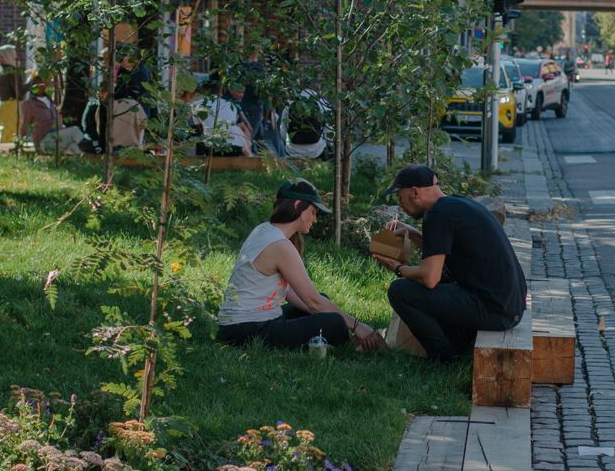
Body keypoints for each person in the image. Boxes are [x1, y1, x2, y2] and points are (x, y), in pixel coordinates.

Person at [374, 165, 527, 363]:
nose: (400, 204)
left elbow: (430, 278)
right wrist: (411, 233)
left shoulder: (437, 215)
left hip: (496, 311)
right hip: (509, 307)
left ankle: (442, 357)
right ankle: (458, 344)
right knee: (443, 280)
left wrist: (397, 268)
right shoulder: (455, 204)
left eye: (400, 197)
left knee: (400, 291)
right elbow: (442, 253)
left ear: (414, 192)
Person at [217, 180, 383, 351]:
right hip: (248, 331)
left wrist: (318, 309)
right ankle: (353, 342)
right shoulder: (280, 245)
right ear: (298, 205)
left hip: (236, 326)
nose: (315, 219)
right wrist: (357, 326)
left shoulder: (264, 230)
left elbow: (289, 291)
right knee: (334, 322)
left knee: (323, 302)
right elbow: (313, 301)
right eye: (313, 212)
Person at [193, 78, 251, 156]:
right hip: (236, 146)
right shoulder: (231, 105)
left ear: (206, 91)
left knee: (201, 137)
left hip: (213, 147)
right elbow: (234, 126)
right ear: (221, 93)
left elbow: (200, 128)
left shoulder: (196, 104)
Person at [0, 44, 26, 143]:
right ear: (8, 56)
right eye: (14, 56)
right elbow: (20, 93)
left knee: (0, 135)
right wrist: (32, 80)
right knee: (11, 139)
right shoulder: (11, 71)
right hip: (11, 106)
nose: (16, 59)